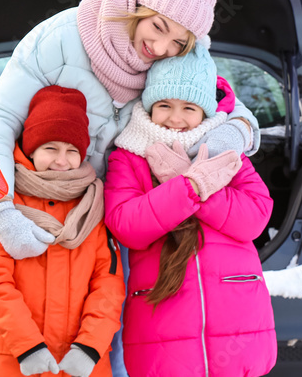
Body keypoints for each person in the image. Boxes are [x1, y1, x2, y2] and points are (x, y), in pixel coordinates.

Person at [0, 0, 260, 375]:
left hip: (117, 216)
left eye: (178, 43)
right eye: (158, 27)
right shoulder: (61, 38)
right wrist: (0, 209)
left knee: (113, 337)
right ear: (141, 5)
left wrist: (237, 132)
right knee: (32, 336)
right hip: (40, 206)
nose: (161, 48)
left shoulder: (175, 56)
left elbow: (219, 100)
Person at [104, 43, 277, 376]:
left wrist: (197, 185)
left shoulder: (223, 151)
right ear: (148, 106)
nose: (176, 118)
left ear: (206, 112)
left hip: (237, 319)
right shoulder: (129, 155)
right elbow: (126, 224)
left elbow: (254, 216)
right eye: (164, 105)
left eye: (189, 107)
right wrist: (190, 187)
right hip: (162, 321)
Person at [0, 85, 125, 377]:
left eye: (72, 151)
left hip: (80, 363)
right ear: (31, 147)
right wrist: (28, 346)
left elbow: (108, 285)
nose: (61, 161)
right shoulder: (3, 203)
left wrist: (90, 347)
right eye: (50, 148)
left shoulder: (92, 207)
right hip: (12, 359)